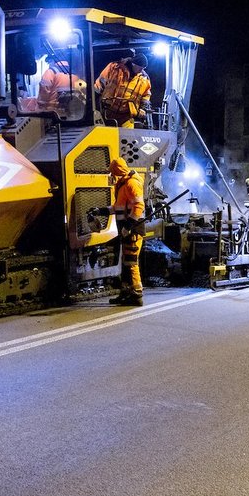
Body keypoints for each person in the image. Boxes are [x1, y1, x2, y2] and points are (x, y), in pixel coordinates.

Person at [108, 157, 146, 306]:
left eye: (112, 172)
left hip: (133, 231)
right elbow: (119, 207)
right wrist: (103, 211)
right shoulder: (123, 184)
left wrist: (128, 226)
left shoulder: (131, 184)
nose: (111, 175)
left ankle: (137, 295)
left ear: (117, 171)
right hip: (127, 230)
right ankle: (125, 293)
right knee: (126, 262)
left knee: (131, 262)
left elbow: (138, 206)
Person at [96, 51, 151, 128]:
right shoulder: (114, 68)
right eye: (140, 68)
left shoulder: (144, 79)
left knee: (128, 137)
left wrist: (143, 109)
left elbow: (146, 96)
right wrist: (92, 99)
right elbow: (100, 83)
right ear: (133, 64)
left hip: (126, 116)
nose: (141, 70)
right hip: (106, 112)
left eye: (143, 68)